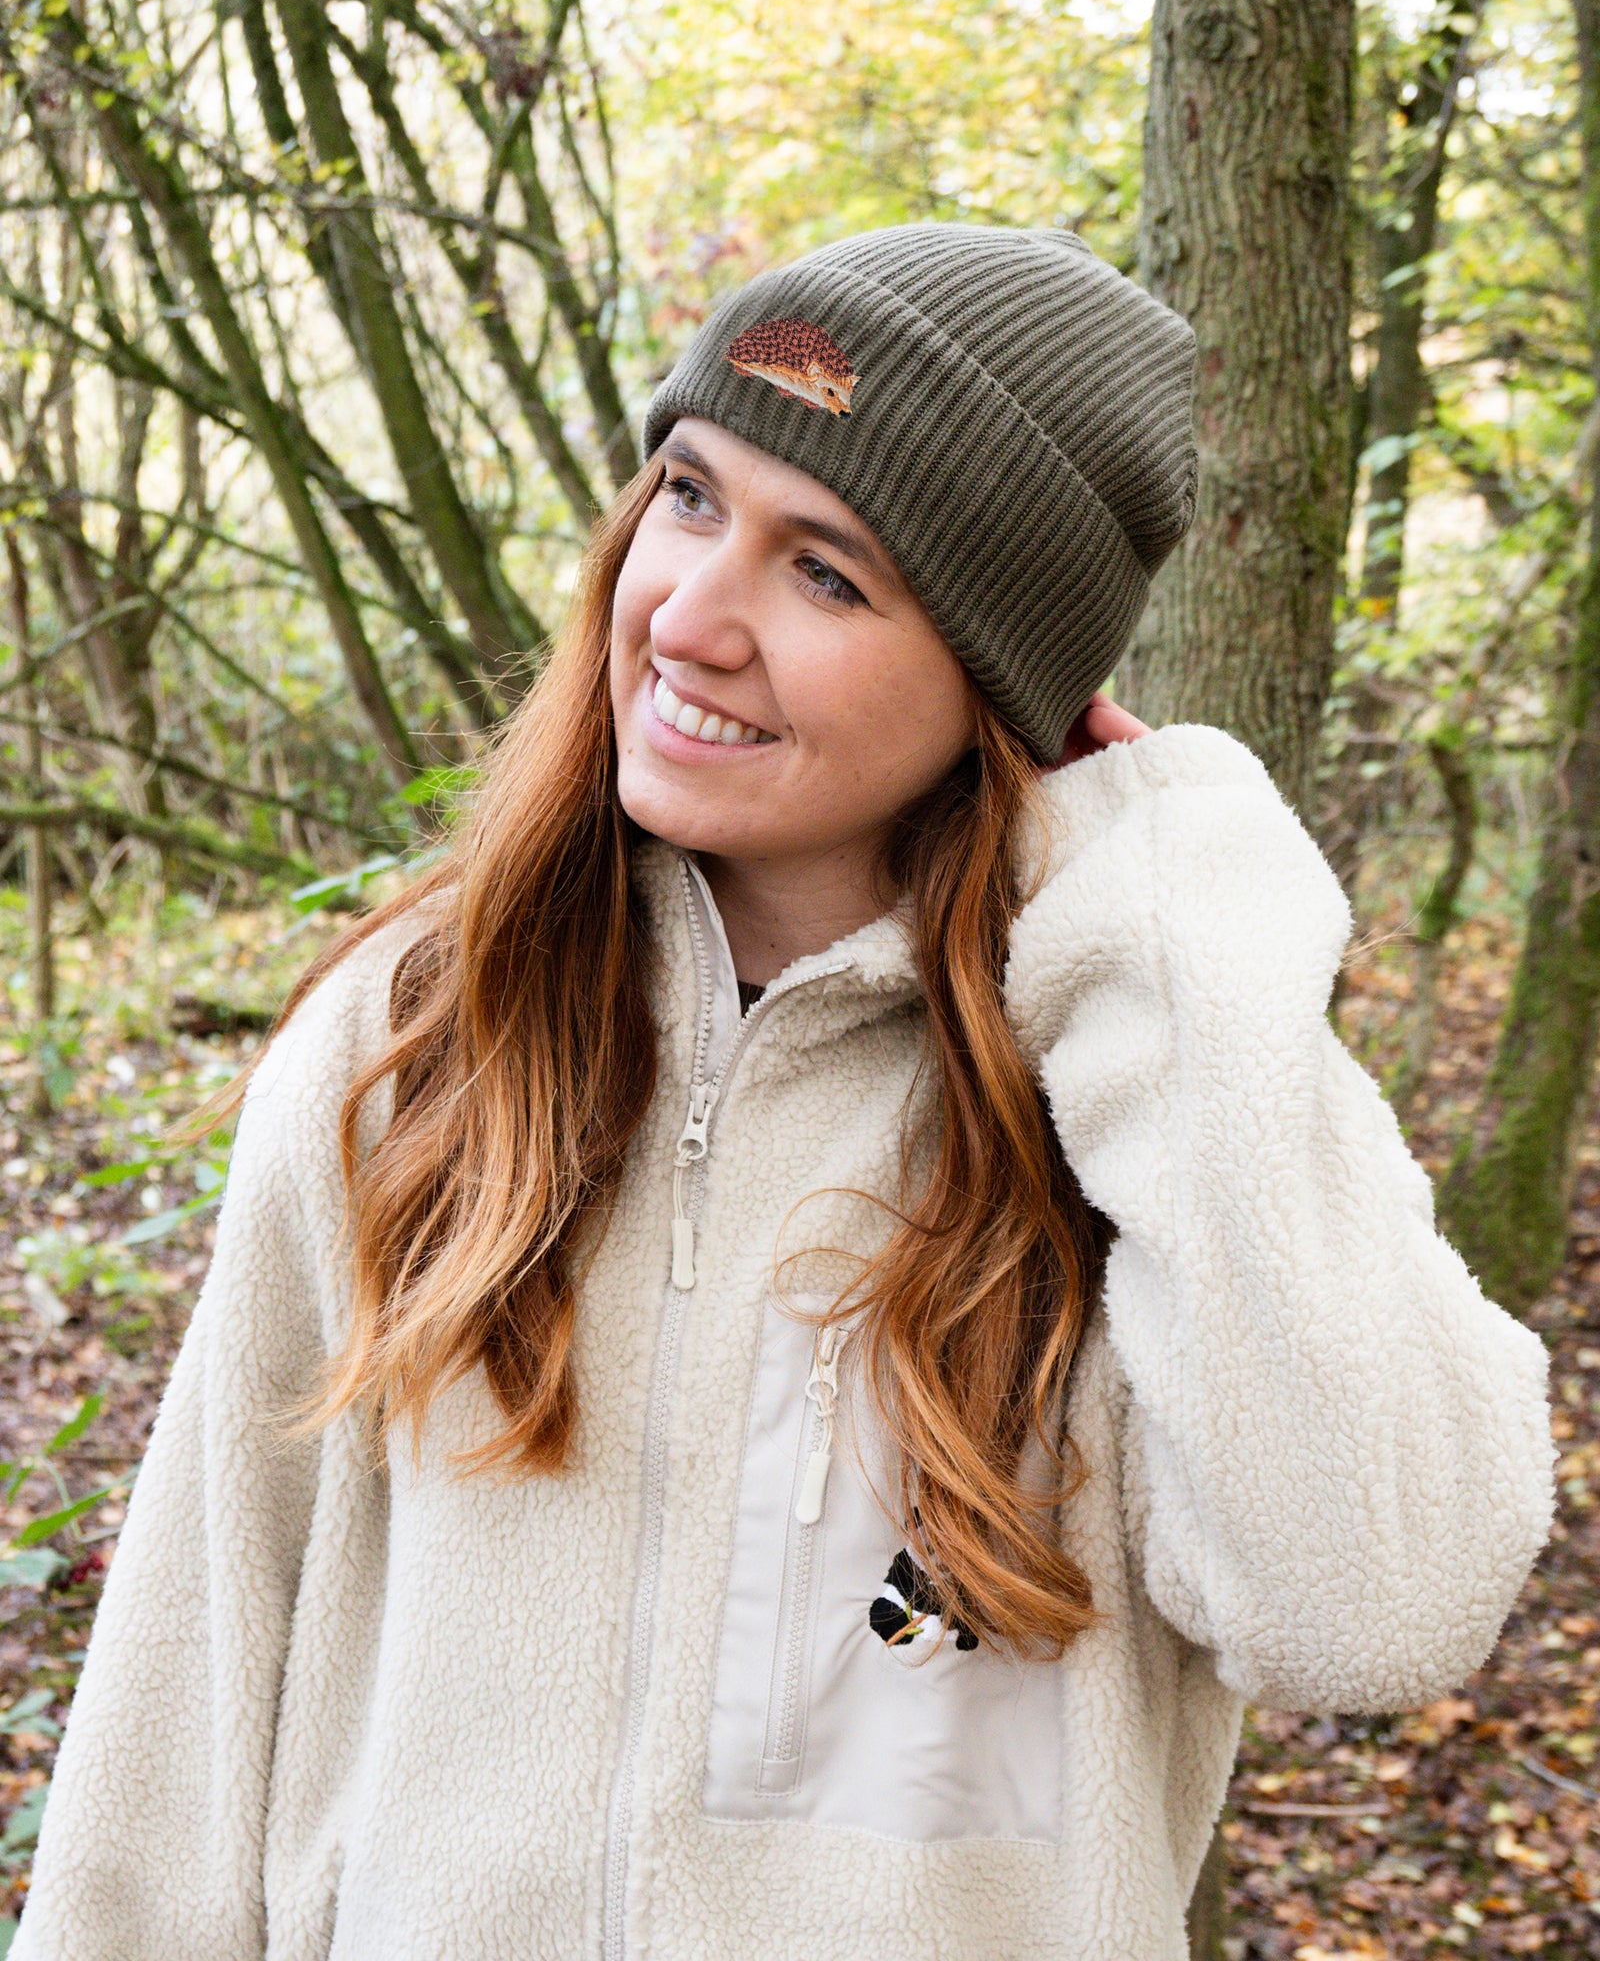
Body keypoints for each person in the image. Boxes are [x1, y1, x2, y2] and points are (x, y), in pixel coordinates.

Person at [14, 226, 1552, 1961]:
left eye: (826, 574)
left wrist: (1170, 938)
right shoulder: (416, 1039)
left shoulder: (1151, 1110)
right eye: (685, 496)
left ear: (998, 678)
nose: (690, 614)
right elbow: (189, 1701)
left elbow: (1376, 1608)